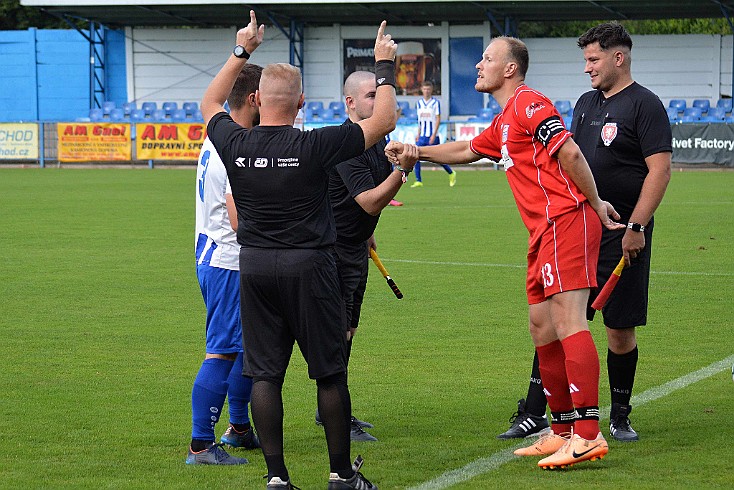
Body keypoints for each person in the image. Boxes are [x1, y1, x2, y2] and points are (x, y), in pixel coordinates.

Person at [386, 36, 625, 469]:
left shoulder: (530, 103)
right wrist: (416, 150)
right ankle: (564, 428)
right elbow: (466, 149)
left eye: (487, 58)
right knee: (541, 327)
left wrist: (594, 203)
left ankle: (588, 434)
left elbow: (569, 151)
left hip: (566, 221)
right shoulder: (504, 119)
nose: (478, 65)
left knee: (569, 321)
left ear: (510, 69)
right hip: (542, 232)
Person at [201, 10, 404, 489]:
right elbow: (385, 118)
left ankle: (277, 479)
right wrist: (383, 65)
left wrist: (241, 50)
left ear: (254, 100)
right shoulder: (314, 145)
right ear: (302, 103)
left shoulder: (235, 142)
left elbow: (210, 101)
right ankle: (339, 475)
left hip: (254, 268)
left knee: (265, 375)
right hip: (311, 266)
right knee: (330, 373)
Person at [498, 22, 672, 443]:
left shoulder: (645, 106)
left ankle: (620, 414)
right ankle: (538, 412)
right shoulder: (584, 103)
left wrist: (636, 226)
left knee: (619, 327)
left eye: (593, 59)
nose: (587, 68)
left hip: (624, 230)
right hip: (580, 225)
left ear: (619, 57)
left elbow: (660, 170)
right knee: (560, 320)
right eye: (585, 60)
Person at [315, 71, 418, 442]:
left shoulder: (376, 141)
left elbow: (363, 204)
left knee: (348, 331)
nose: (379, 101)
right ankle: (334, 414)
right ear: (350, 103)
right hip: (332, 251)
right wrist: (402, 172)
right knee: (335, 334)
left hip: (355, 245)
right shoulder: (346, 143)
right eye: (372, 95)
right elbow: (371, 199)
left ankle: (328, 408)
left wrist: (368, 231)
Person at [187, 63, 263, 466]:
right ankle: (201, 444)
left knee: (244, 347)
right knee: (222, 351)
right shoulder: (239, 147)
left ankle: (238, 428)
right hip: (229, 261)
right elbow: (240, 220)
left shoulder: (216, 131)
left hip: (212, 254)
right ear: (254, 99)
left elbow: (210, 100)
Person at [410, 80, 456, 188]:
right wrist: (418, 133)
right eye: (425, 89)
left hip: (432, 135)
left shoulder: (435, 103)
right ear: (422, 89)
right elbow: (420, 120)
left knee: (437, 158)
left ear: (431, 90)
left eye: (428, 89)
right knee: (415, 156)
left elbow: (438, 118)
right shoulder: (419, 103)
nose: (426, 91)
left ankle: (451, 172)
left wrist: (434, 134)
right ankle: (418, 180)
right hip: (422, 136)